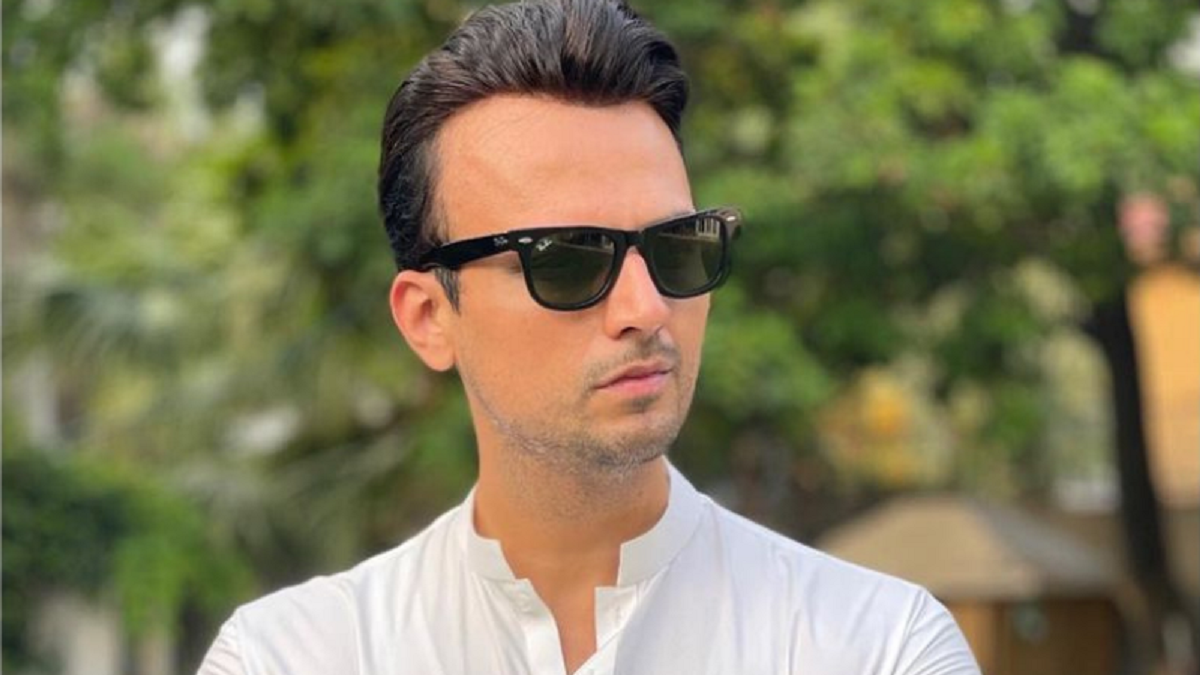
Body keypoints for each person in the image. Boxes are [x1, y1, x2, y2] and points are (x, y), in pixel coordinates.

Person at [198, 1, 981, 673]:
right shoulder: (296, 654)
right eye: (567, 260)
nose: (645, 307)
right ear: (428, 317)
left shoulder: (876, 645)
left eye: (677, 247)